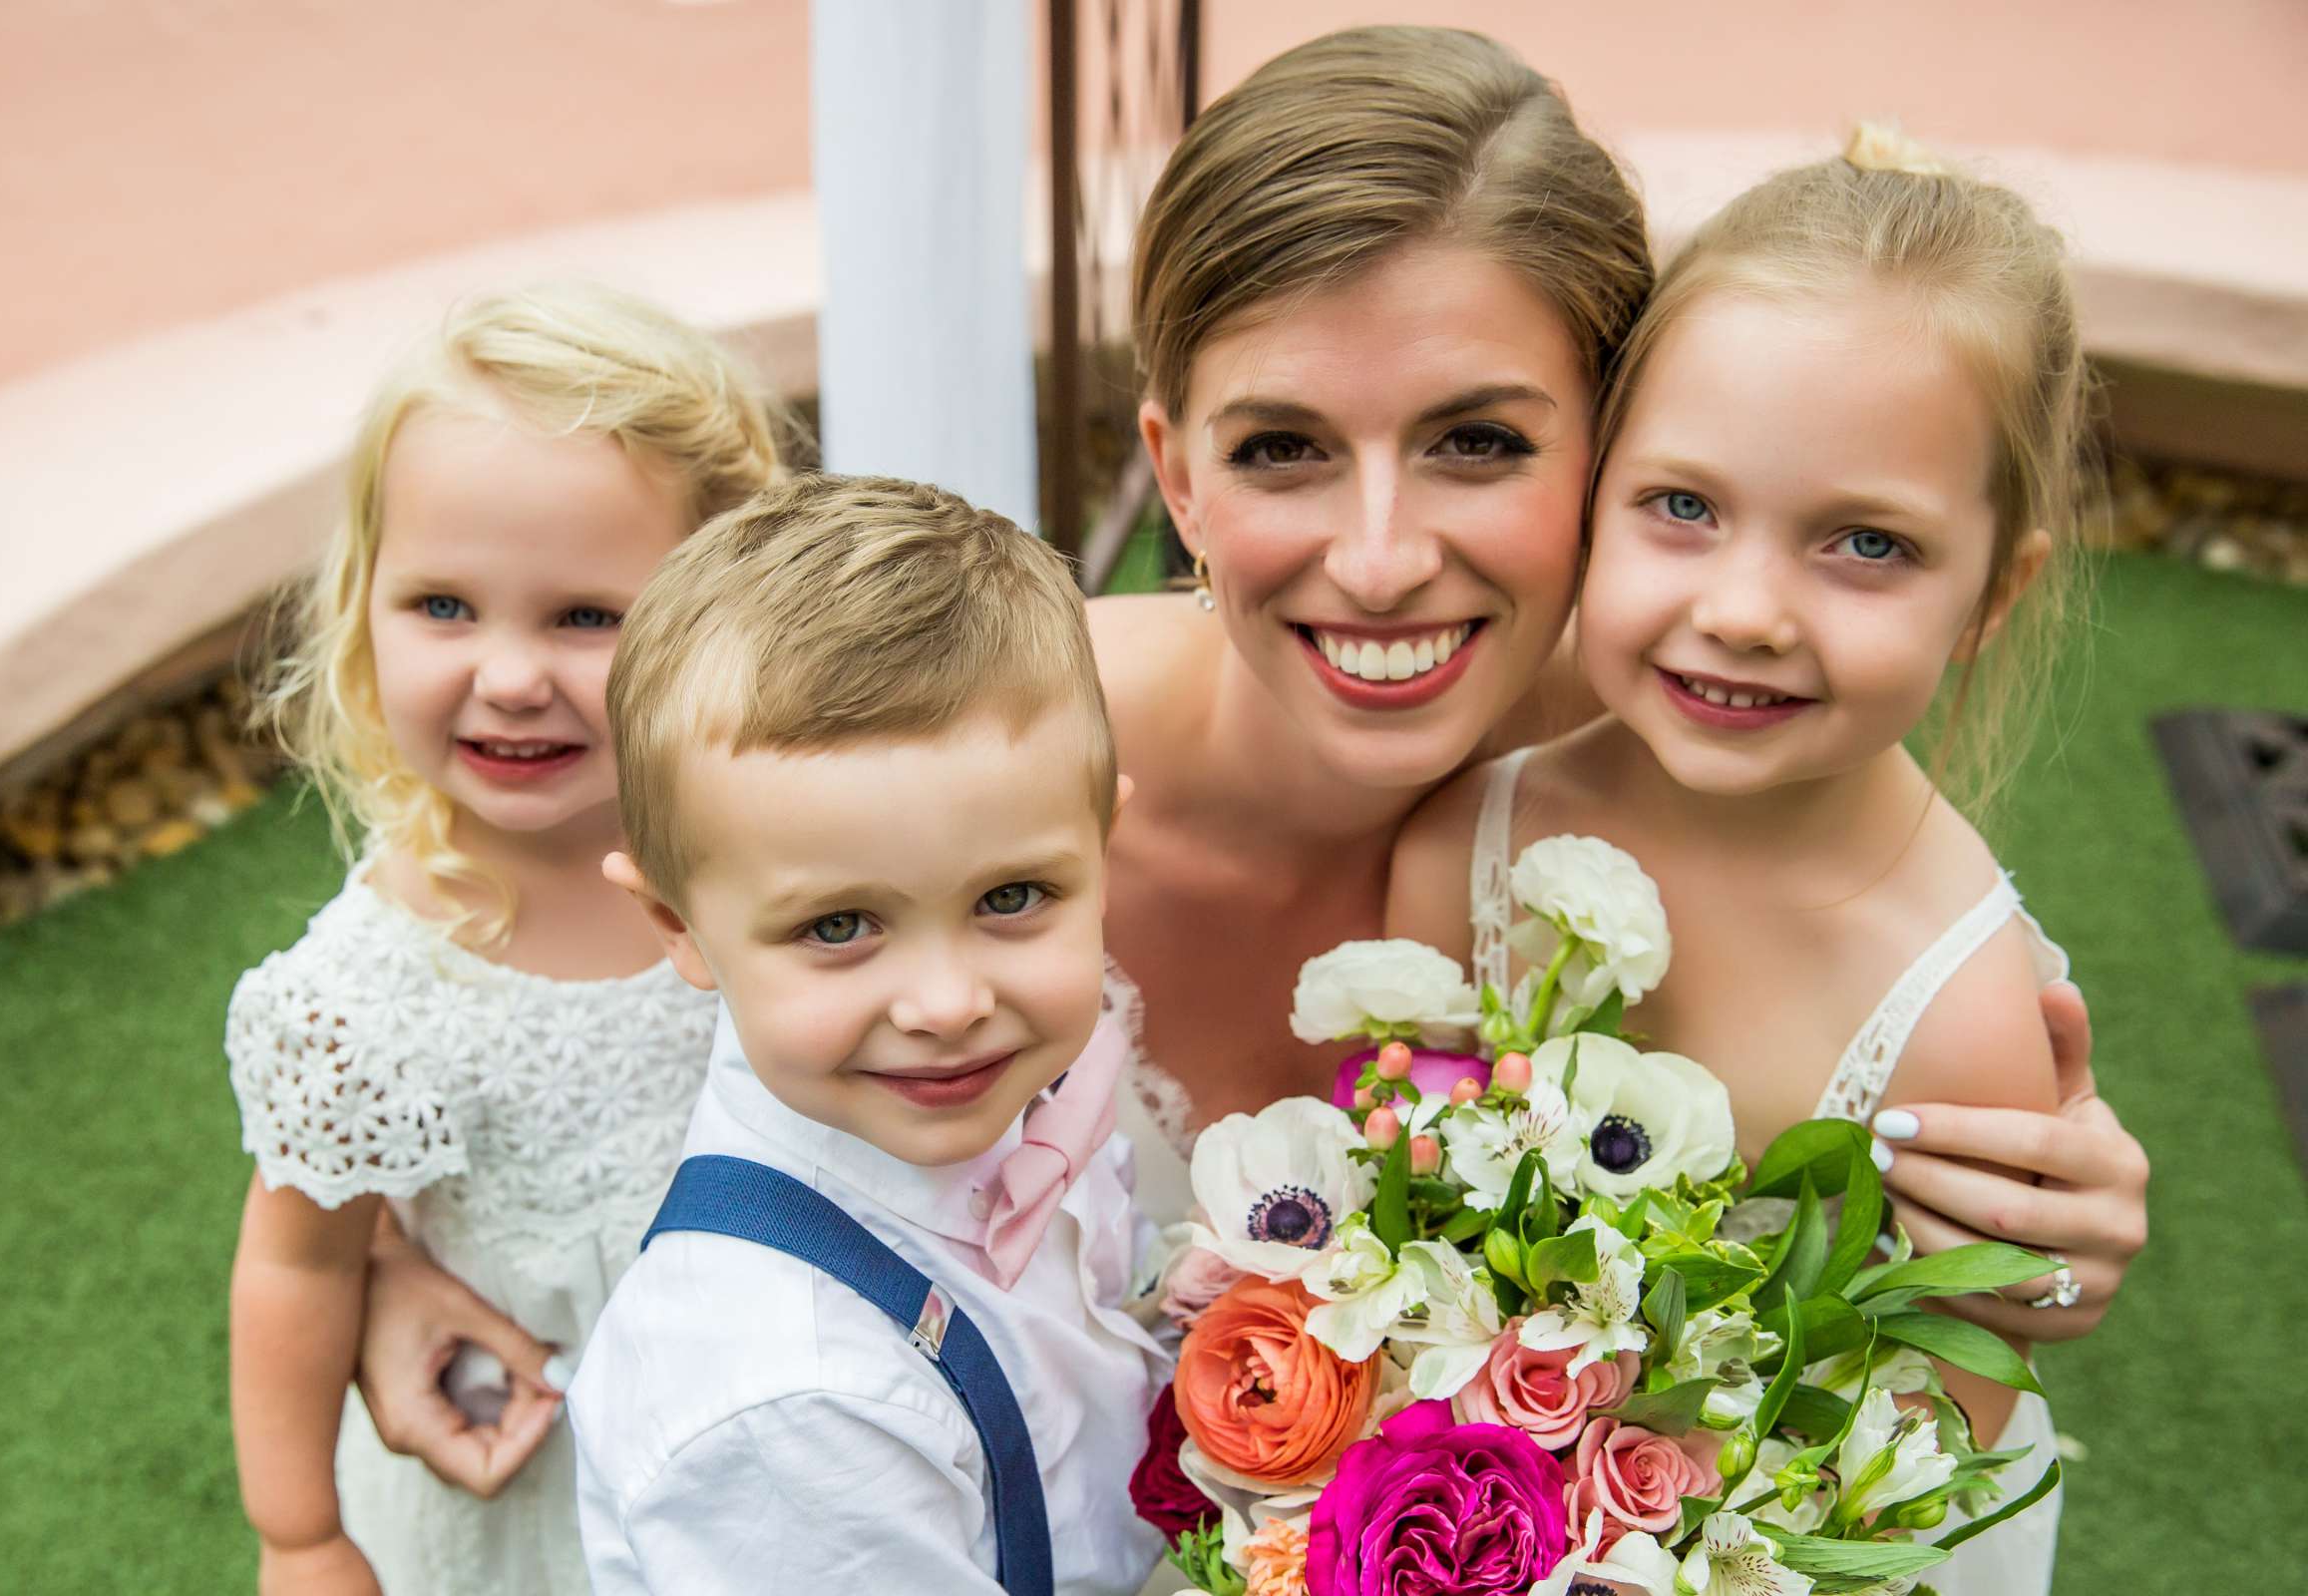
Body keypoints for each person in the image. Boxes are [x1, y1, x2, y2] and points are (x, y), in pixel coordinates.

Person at [350, 23, 2148, 1511]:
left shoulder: (1708, 801)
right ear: (1175, 466)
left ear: (1616, 453)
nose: (1377, 560)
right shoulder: (959, 753)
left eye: (1475, 441)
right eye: (1284, 447)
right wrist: (375, 1239)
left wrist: (2033, 1225)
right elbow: (547, 858)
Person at [1387, 123, 2093, 1590]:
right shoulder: (1468, 839)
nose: (1749, 609)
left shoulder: (1957, 1019)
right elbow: (1393, 1236)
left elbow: (1898, 1498)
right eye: (1685, 507)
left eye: (1867, 546)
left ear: (1991, 591)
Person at [223, 283, 786, 1595]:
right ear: (363, 602)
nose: (511, 673)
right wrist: (300, 1534)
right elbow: (295, 1267)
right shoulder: (367, 992)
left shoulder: (767, 846)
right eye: (443, 606)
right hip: (535, 1497)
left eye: (586, 616)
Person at [570, 473, 1168, 1593]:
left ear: (1102, 849)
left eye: (1013, 898)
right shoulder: (786, 1404)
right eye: (839, 925)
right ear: (676, 925)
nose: (944, 1003)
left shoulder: (969, 1070)